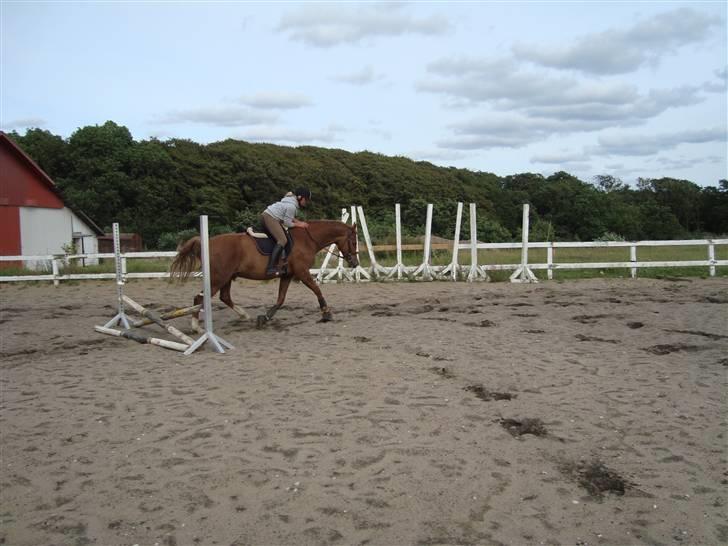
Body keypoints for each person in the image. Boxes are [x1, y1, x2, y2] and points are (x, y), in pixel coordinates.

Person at [260, 187, 311, 276]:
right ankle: (270, 268)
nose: (306, 202)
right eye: (306, 199)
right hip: (270, 218)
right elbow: (287, 223)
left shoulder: (291, 203)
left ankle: (283, 263)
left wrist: (299, 222)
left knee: (285, 237)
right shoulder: (291, 206)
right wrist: (300, 225)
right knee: (283, 240)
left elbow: (290, 218)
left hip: (269, 216)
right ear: (300, 197)